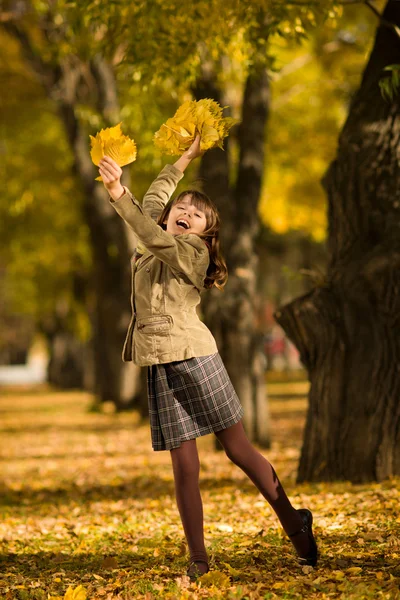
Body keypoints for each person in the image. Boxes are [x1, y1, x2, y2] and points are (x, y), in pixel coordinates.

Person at [98, 135, 318, 581]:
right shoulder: (156, 236)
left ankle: (296, 526)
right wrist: (184, 158)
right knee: (184, 468)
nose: (185, 214)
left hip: (196, 358)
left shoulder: (189, 252)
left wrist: (120, 193)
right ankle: (199, 560)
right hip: (161, 364)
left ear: (204, 233)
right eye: (182, 209)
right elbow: (155, 202)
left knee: (238, 450)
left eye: (196, 215)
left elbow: (144, 225)